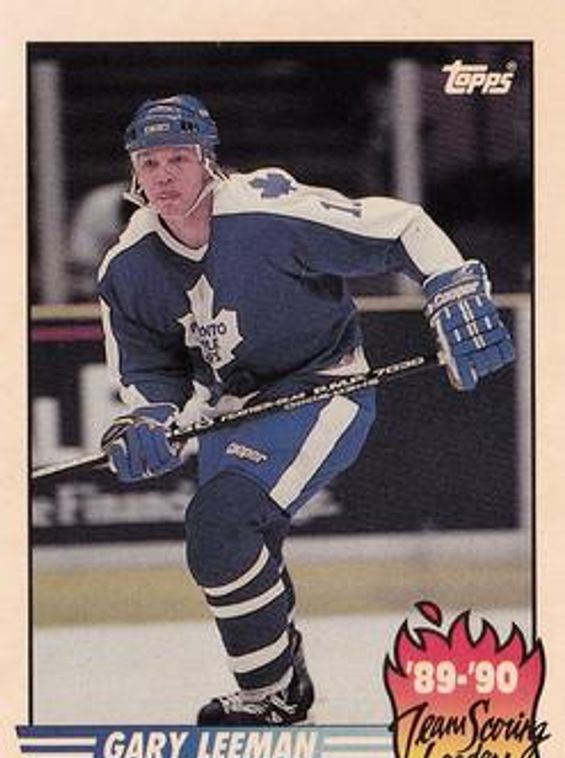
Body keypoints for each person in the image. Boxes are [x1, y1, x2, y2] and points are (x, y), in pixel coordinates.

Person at [97, 94, 514, 726]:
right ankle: (283, 686)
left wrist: (449, 286)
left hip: (323, 387)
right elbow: (149, 367)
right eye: (148, 162)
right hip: (235, 408)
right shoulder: (126, 267)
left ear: (208, 159)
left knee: (222, 523)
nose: (163, 176)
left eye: (178, 158)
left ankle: (269, 697)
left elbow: (402, 226)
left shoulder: (267, 214)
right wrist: (150, 418)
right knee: (225, 543)